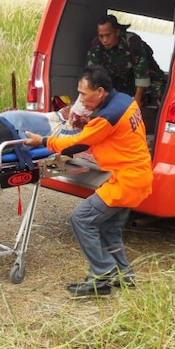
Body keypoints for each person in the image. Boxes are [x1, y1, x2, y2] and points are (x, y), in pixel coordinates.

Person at [24, 65, 153, 297]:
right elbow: (103, 136)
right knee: (110, 228)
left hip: (126, 181)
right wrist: (88, 127)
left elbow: (77, 144)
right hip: (138, 176)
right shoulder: (125, 101)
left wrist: (43, 141)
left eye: (83, 94)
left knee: (81, 219)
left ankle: (102, 273)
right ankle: (124, 274)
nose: (80, 100)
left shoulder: (106, 117)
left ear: (100, 91)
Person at [86, 14, 166, 108]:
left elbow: (141, 72)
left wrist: (137, 100)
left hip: (149, 79)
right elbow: (93, 74)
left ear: (117, 32)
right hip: (124, 81)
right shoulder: (96, 46)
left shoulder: (132, 41)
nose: (104, 40)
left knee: (161, 97)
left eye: (108, 35)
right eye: (101, 36)